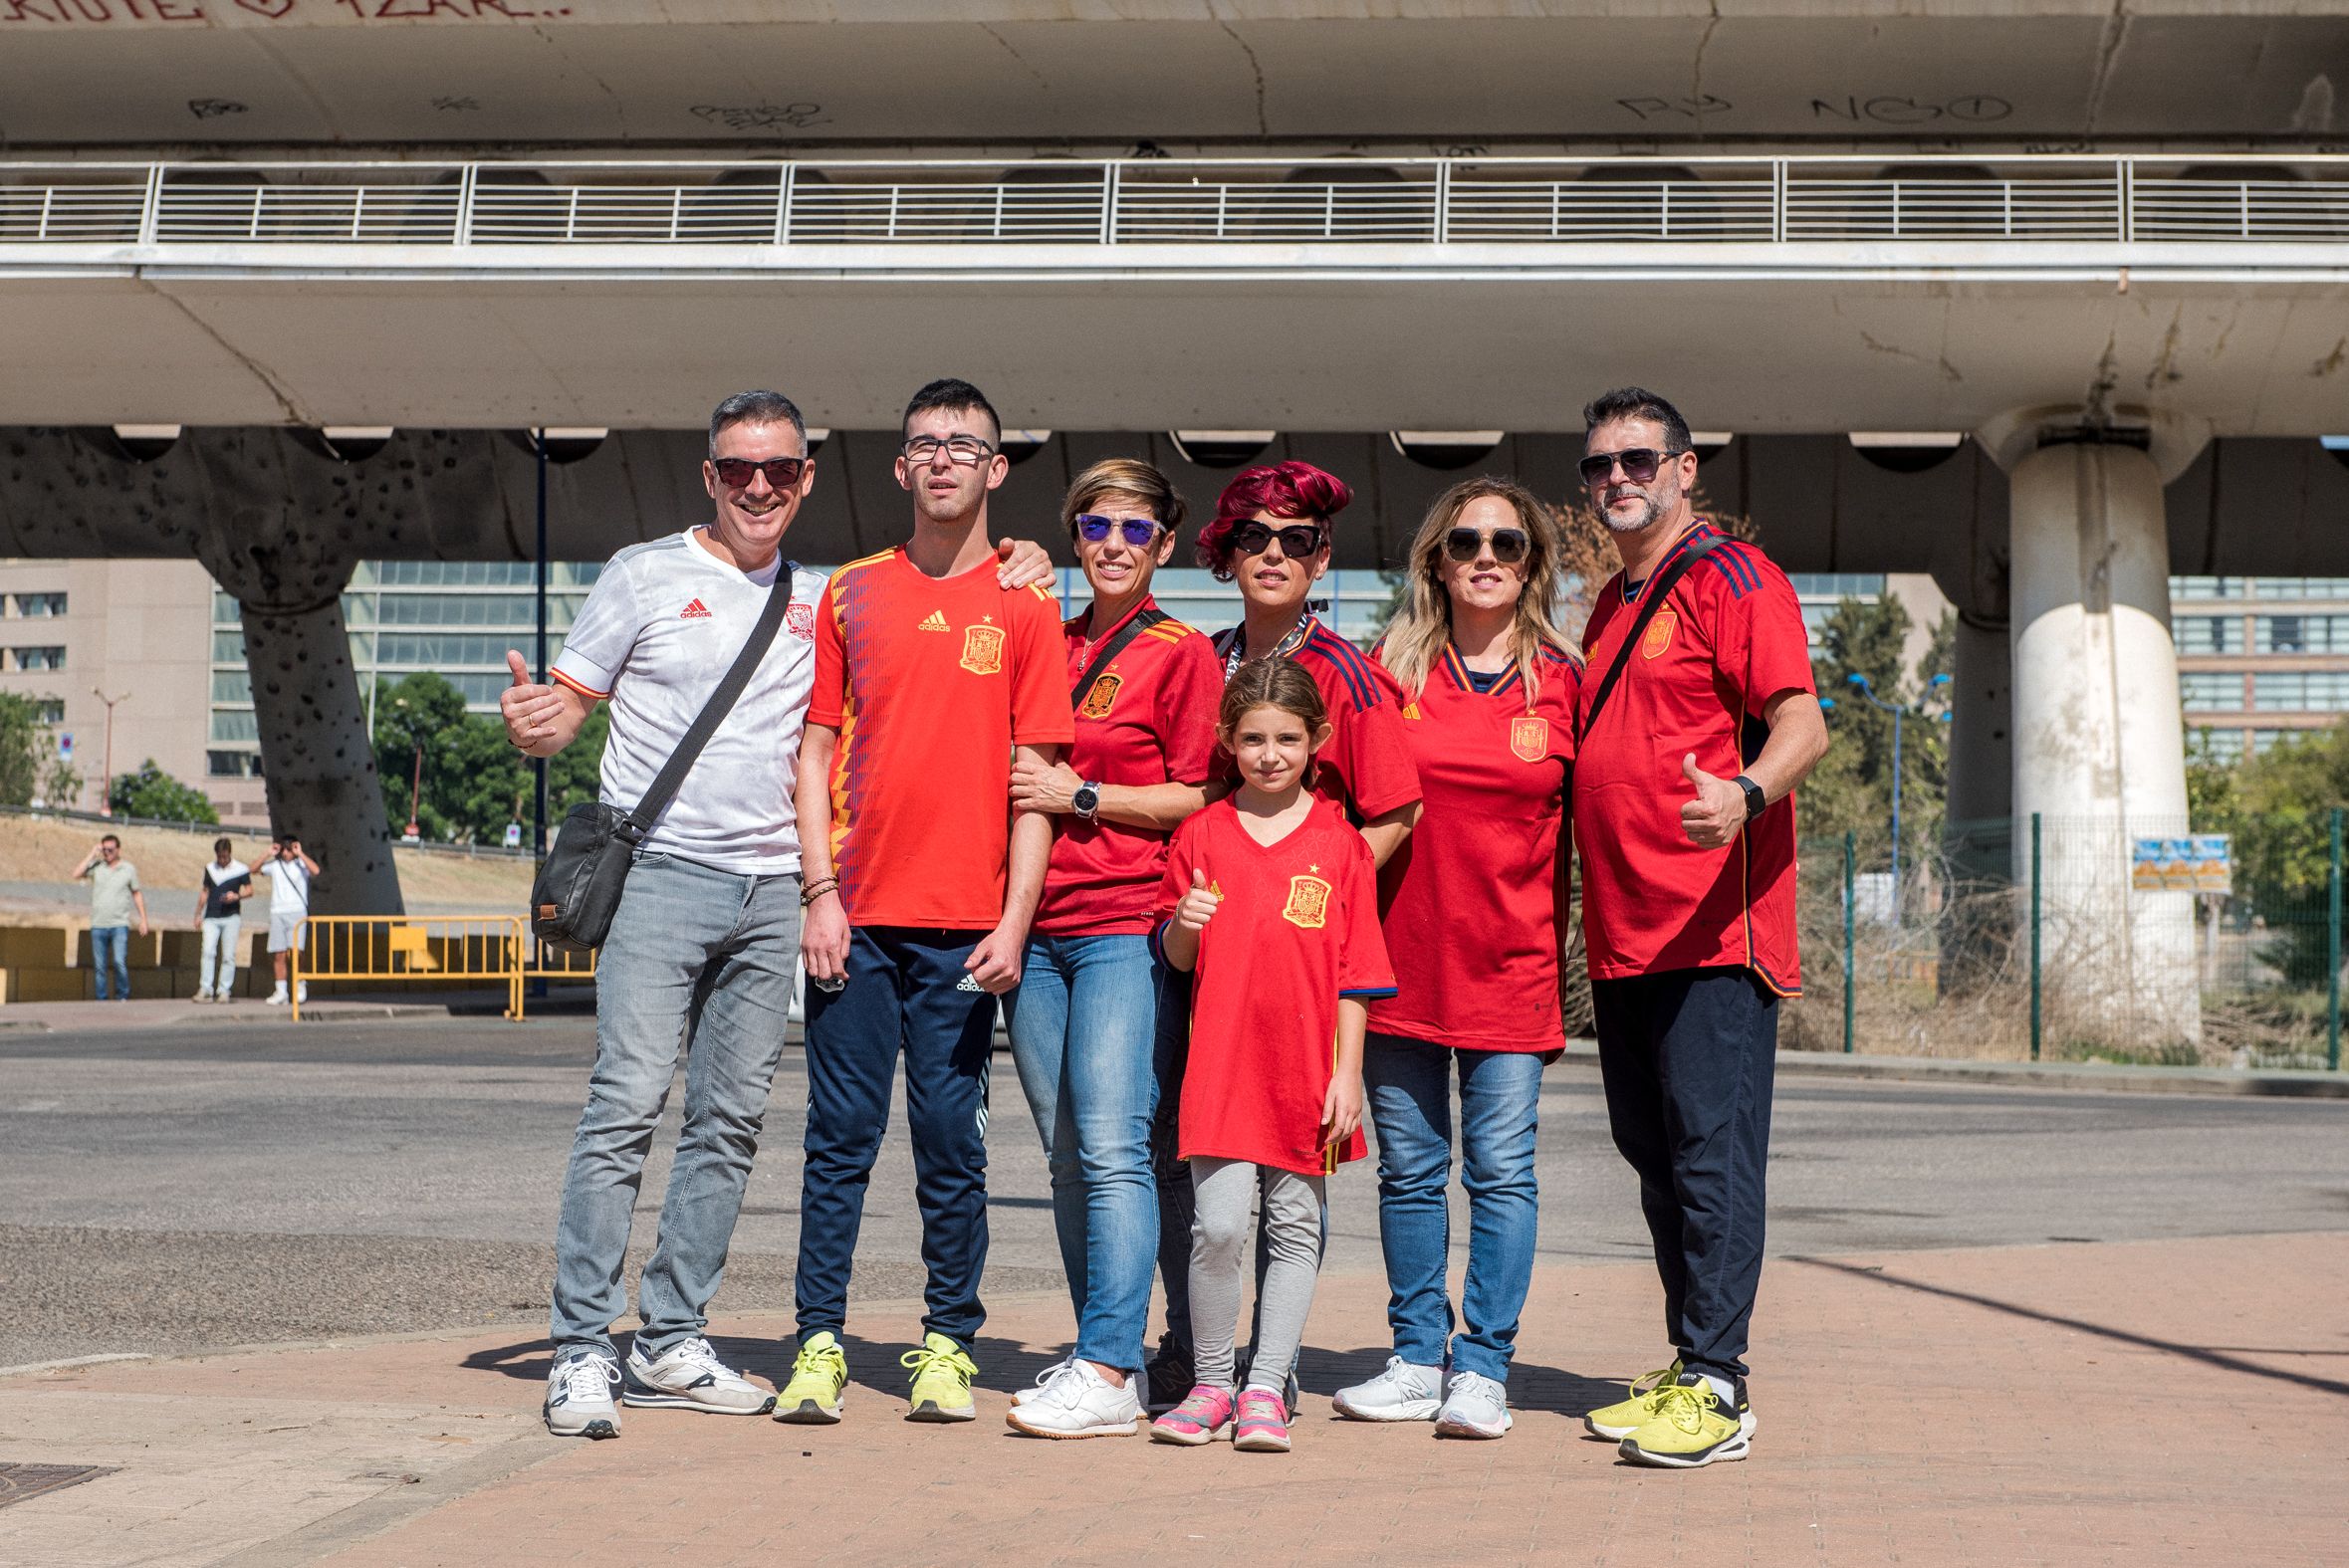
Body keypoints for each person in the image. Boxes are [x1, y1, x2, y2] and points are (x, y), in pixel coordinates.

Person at [504, 388, 1051, 1442]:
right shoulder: (643, 573)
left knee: (729, 1123)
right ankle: (582, 1347)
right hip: (662, 874)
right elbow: (566, 708)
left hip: (774, 894)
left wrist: (1022, 556)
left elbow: (943, 597)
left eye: (782, 471)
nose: (760, 486)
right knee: (624, 1103)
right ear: (708, 476)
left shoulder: (828, 594)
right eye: (737, 469)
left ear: (808, 479)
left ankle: (669, 1336)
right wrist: (538, 725)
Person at [782, 378, 1073, 1428]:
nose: (942, 459)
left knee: (953, 1145)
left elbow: (1037, 778)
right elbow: (814, 753)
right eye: (923, 445)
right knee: (839, 1139)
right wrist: (818, 893)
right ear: (901, 468)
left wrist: (1013, 921)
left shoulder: (1028, 599)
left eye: (965, 444)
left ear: (997, 469)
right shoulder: (850, 590)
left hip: (967, 932)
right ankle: (816, 1339)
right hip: (854, 921)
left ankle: (947, 1340)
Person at [1569, 386, 1828, 1469]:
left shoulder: (1734, 577)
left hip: (1714, 932)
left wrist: (1747, 795)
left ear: (1684, 469)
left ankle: (1719, 1387)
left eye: (1639, 460)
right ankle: (1689, 1362)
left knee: (1711, 1161)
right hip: (1629, 936)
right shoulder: (1607, 604)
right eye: (1600, 466)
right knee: (1653, 1155)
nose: (1619, 478)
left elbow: (1801, 719)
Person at [1145, 459, 1423, 1414]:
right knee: (1194, 1184)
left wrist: (1311, 883)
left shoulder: (1346, 672)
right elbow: (1189, 798)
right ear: (1223, 553)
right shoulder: (1202, 655)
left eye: (1296, 539)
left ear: (1321, 555)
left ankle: (1267, 1377)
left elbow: (1391, 810)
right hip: (1198, 957)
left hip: (1296, 970)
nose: (1273, 554)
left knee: (1287, 1207)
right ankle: (1198, 1358)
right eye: (1254, 538)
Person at [1334, 477, 1579, 1441]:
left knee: (1502, 1174)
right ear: (1436, 558)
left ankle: (1481, 1369)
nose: (1486, 556)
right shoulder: (1384, 676)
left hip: (1509, 968)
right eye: (1466, 540)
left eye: (1507, 544)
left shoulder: (1568, 682)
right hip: (1398, 964)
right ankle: (1410, 1357)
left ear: (1531, 565)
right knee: (1407, 1173)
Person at [1000, 459, 1222, 1439]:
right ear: (1075, 536)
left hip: (1123, 922)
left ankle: (1109, 1362)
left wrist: (1080, 797)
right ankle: (1102, 1348)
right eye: (1097, 528)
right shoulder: (1046, 636)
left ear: (1165, 545)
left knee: (1114, 1148)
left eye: (1137, 531)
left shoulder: (1179, 654)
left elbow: (1203, 795)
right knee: (1062, 1158)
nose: (1116, 547)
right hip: (1035, 927)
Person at [1146, 658, 1393, 1456]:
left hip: (1305, 1071)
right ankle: (1212, 1383)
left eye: (1286, 737)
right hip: (1218, 1068)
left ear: (1316, 740)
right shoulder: (1200, 834)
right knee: (1216, 1227)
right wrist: (1183, 919)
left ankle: (1265, 1386)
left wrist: (1346, 1074)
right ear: (1227, 741)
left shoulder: (1341, 845)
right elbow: (1178, 961)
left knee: (1293, 1225)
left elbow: (1356, 976)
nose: (1269, 753)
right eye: (1251, 738)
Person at [74, 835, 146, 1002]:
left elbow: (137, 893)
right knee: (100, 966)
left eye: (110, 850)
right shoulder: (97, 867)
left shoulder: (128, 869)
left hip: (119, 923)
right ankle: (102, 998)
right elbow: (76, 874)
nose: (107, 853)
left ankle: (122, 995)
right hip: (98, 924)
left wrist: (143, 919)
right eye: (104, 850)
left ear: (118, 850)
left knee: (119, 962)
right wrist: (92, 854)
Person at [257, 834, 320, 1007]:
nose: (286, 853)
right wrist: (267, 853)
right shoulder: (275, 866)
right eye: (284, 849)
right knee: (279, 953)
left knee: (297, 952)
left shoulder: (301, 866)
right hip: (278, 911)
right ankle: (281, 991)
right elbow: (253, 869)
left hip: (297, 912)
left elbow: (316, 871)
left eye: (289, 849)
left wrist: (301, 854)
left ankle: (300, 985)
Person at [193, 838, 250, 1004]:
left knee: (228, 955)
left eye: (225, 857)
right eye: (219, 857)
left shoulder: (240, 869)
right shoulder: (211, 869)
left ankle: (224, 990)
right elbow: (205, 891)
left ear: (230, 854)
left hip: (231, 916)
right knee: (208, 951)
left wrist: (236, 896)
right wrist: (198, 914)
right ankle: (205, 988)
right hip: (212, 915)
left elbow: (249, 890)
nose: (222, 860)